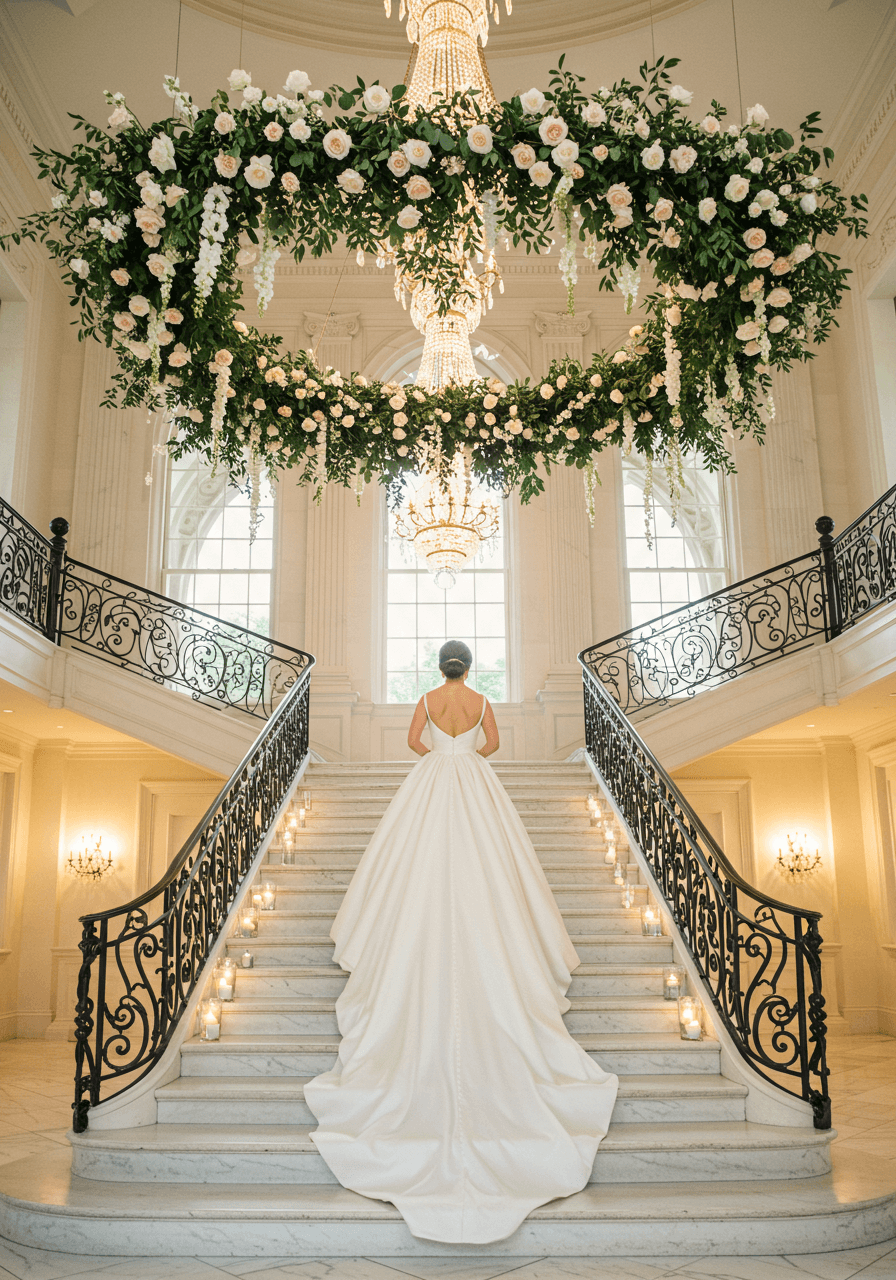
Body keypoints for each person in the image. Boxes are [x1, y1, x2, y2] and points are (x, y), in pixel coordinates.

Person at [304, 640, 618, 1244]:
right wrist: (468, 748)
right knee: (492, 864)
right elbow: (493, 745)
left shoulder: (426, 699)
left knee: (414, 862)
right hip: (474, 783)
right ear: (468, 667)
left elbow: (413, 742)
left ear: (437, 668)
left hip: (432, 782)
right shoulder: (478, 701)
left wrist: (442, 750)